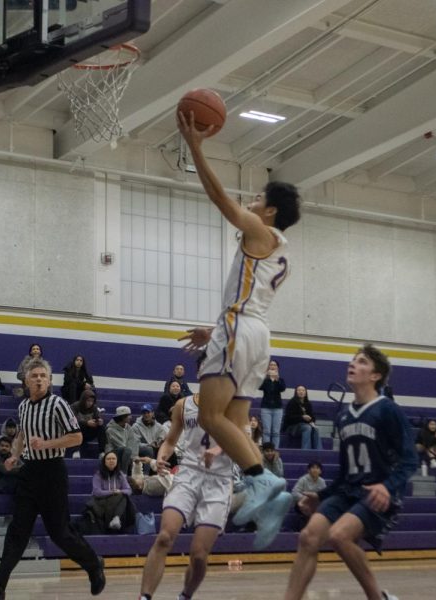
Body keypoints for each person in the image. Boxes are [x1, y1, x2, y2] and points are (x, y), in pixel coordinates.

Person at [176, 106, 301, 551]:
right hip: (254, 332)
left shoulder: (259, 231)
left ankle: (263, 482)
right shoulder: (279, 248)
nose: (249, 201)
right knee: (234, 424)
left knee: (209, 417)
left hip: (239, 327)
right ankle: (266, 495)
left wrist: (195, 148)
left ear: (268, 211)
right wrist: (215, 334)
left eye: (256, 198)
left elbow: (220, 201)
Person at [285, 344, 416, 600]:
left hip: (378, 494)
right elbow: (345, 473)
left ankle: (377, 598)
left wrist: (387, 487)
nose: (353, 364)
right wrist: (320, 496)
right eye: (353, 360)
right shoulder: (344, 417)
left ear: (375, 375)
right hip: (350, 490)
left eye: (362, 362)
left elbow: (410, 459)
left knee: (339, 536)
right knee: (308, 537)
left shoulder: (388, 409)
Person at [0, 358, 105, 600]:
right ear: (26, 380)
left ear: (49, 380)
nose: (38, 379)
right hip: (29, 472)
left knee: (60, 533)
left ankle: (93, 564)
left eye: (43, 375)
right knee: (17, 530)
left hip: (52, 472)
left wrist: (47, 443)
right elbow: (23, 434)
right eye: (34, 375)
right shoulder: (24, 407)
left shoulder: (58, 404)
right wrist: (14, 455)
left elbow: (76, 437)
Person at [139, 393, 236, 600]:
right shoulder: (184, 405)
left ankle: (185, 595)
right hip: (188, 475)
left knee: (199, 554)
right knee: (165, 536)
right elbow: (170, 440)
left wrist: (218, 450)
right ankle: (144, 597)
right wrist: (161, 457)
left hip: (217, 481)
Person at [86, 451, 135, 533]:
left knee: (123, 496)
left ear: (117, 461)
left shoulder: (120, 475)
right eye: (108, 459)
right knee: (123, 497)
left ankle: (116, 518)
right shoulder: (98, 475)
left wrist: (119, 491)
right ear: (104, 462)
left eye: (113, 459)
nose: (111, 461)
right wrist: (112, 492)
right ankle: (116, 518)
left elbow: (129, 490)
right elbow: (96, 492)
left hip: (115, 503)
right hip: (101, 503)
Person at [71, 388, 106, 458]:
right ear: (83, 400)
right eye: (88, 401)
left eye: (92, 401)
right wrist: (86, 423)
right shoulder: (75, 406)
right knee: (75, 426)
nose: (90, 403)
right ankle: (75, 451)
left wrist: (99, 421)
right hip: (77, 432)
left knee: (101, 427)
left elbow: (97, 417)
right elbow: (72, 421)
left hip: (88, 432)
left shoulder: (94, 408)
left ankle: (102, 452)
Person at [259, 360, 287, 447]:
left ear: (277, 368)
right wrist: (265, 377)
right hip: (266, 407)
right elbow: (259, 387)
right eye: (271, 365)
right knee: (266, 431)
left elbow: (282, 389)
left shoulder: (280, 380)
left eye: (274, 365)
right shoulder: (265, 379)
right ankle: (266, 449)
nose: (272, 366)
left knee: (275, 432)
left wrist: (277, 379)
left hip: (277, 408)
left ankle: (275, 450)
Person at [284, 385, 320, 449]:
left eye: (303, 390)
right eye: (299, 390)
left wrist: (311, 421)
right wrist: (302, 417)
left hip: (304, 425)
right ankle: (305, 450)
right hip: (292, 427)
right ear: (296, 392)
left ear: (305, 393)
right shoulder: (292, 402)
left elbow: (312, 417)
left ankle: (318, 451)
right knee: (307, 427)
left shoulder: (308, 403)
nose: (301, 392)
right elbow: (289, 418)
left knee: (315, 429)